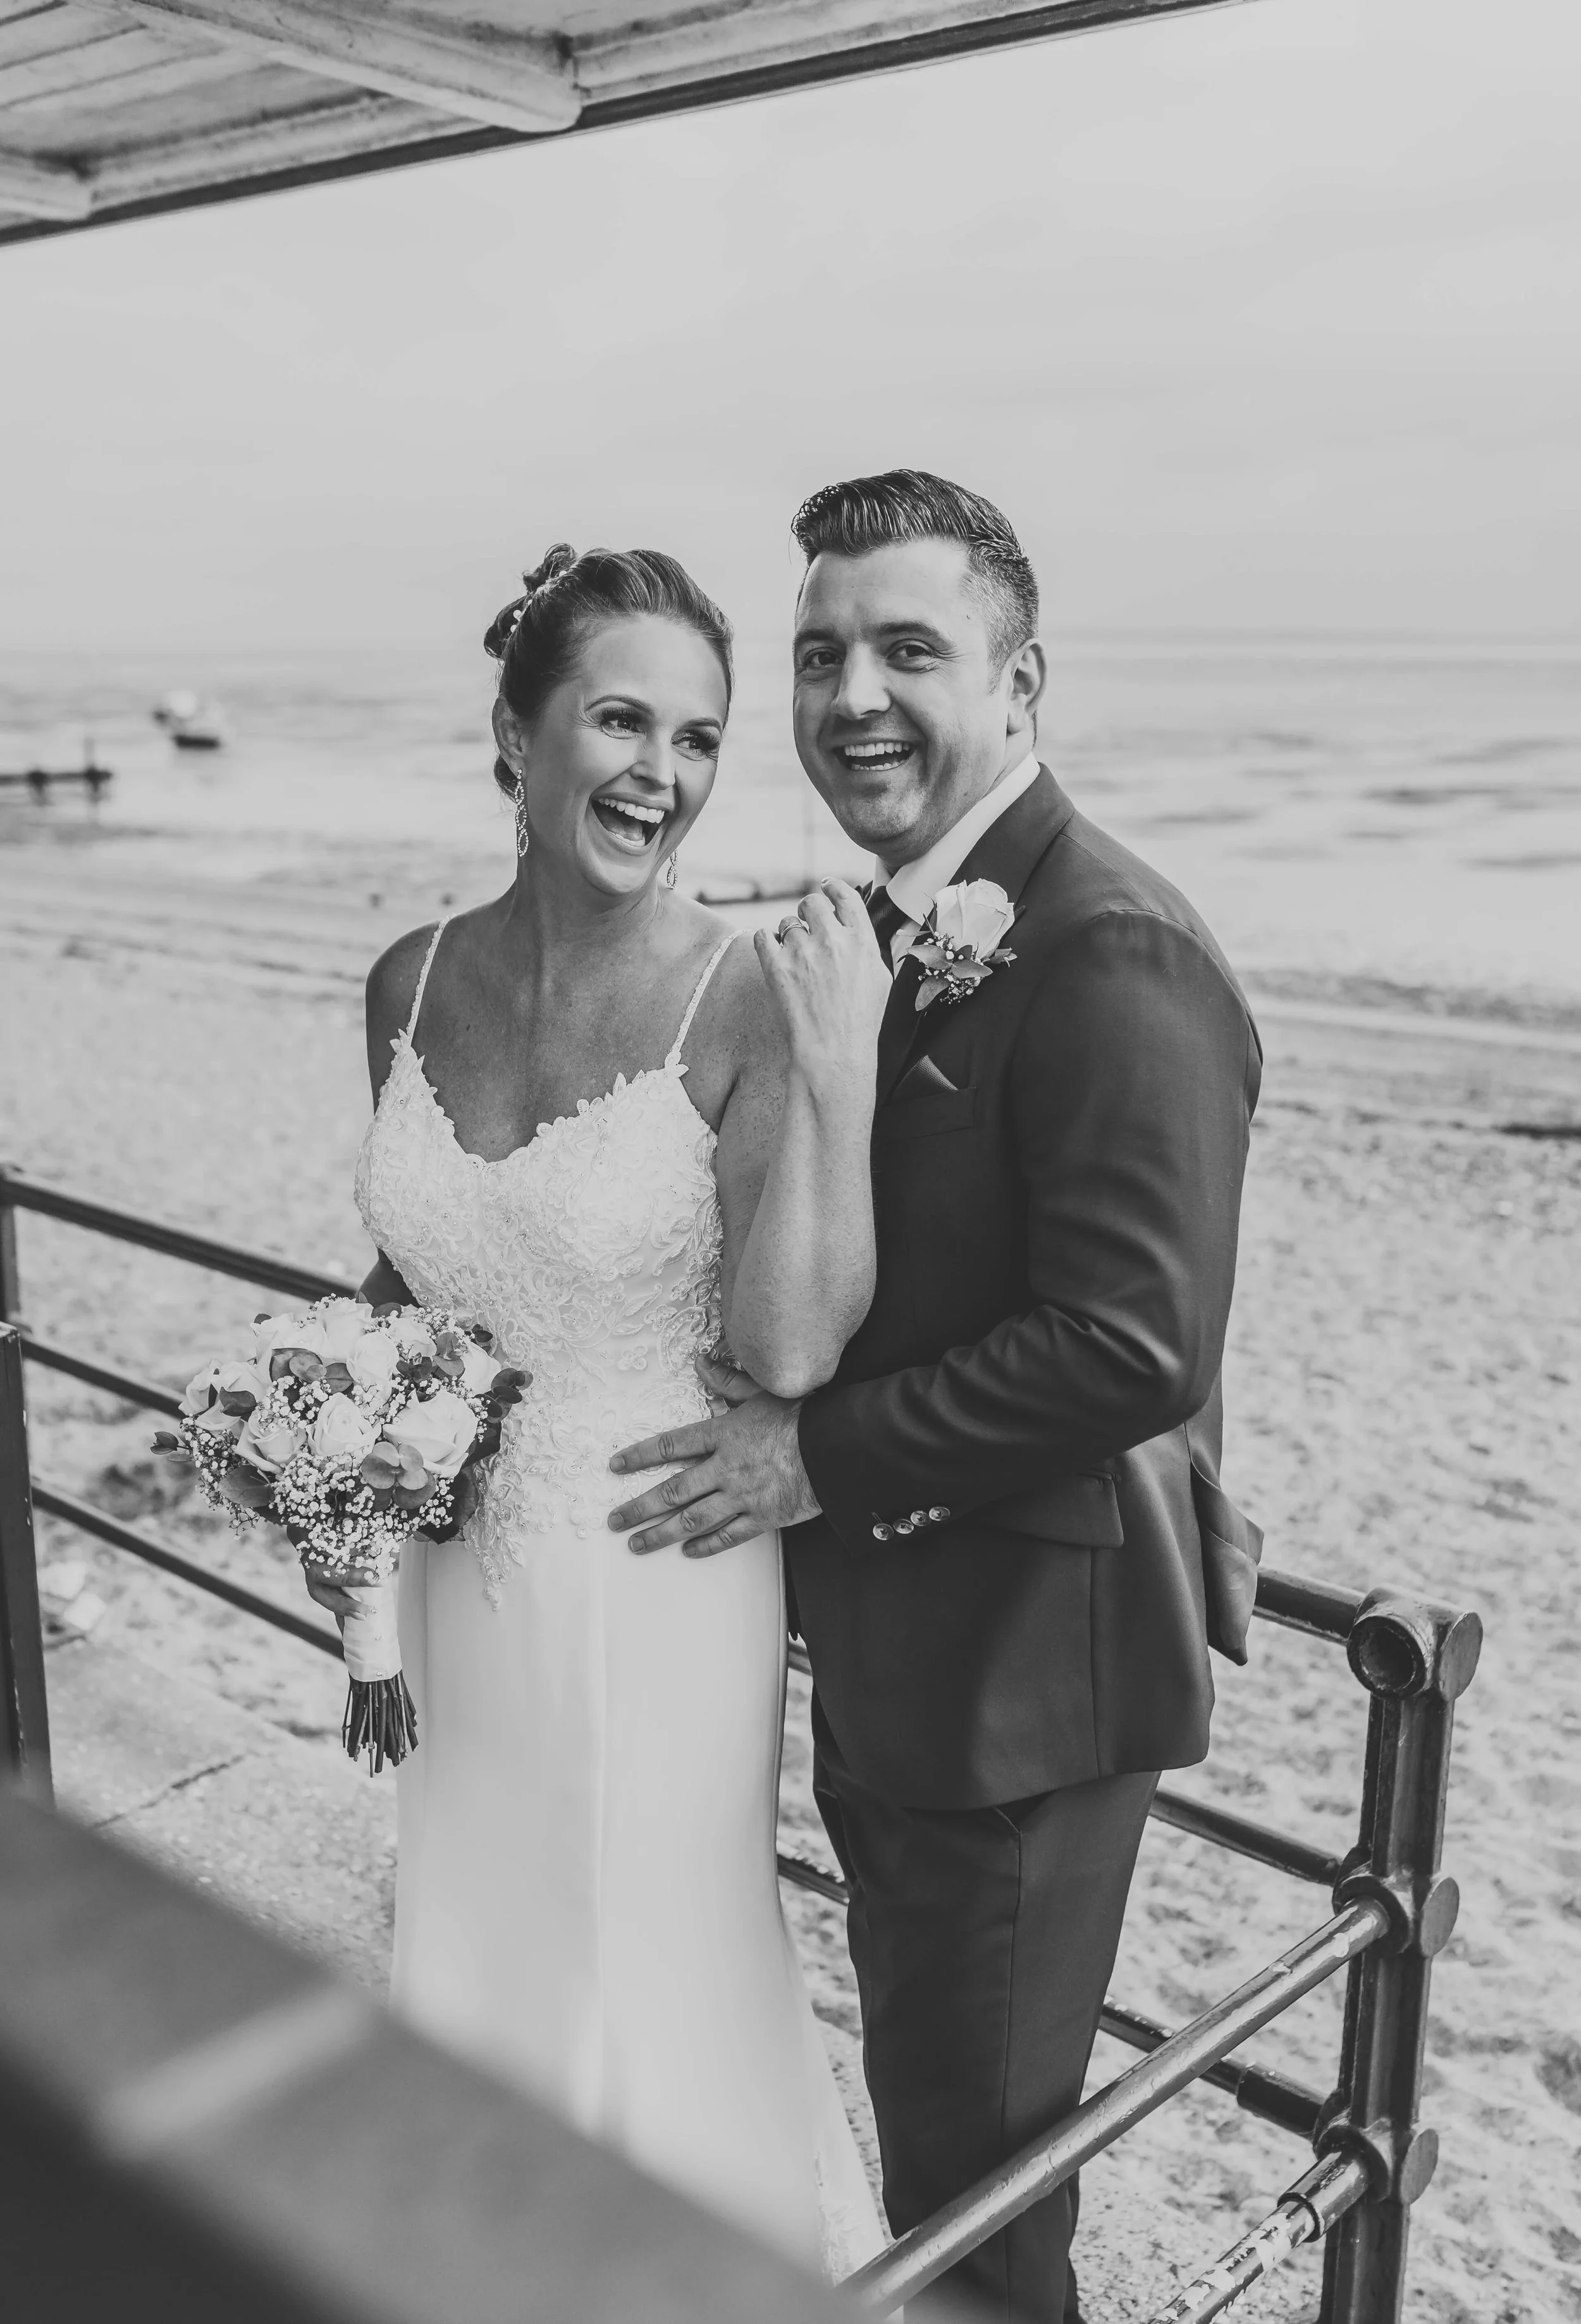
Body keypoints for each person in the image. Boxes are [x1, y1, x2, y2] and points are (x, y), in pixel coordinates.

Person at [607, 472, 1265, 2321]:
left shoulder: (1108, 940)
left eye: (907, 648)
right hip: (922, 1669)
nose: (851, 696)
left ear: (1022, 678)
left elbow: (1135, 1343)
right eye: (820, 654)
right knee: (941, 2164)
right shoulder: (911, 923)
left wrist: (806, 1456)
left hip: (1019, 1701)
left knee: (978, 2209)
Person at [316, 544, 889, 2277]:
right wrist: (351, 1521)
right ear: (514, 734)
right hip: (455, 1581)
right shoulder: (402, 983)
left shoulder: (739, 998)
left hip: (659, 1563)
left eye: (700, 738)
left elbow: (791, 1348)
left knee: (648, 1952)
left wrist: (842, 1076)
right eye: (620, 718)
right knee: (480, 1928)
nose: (663, 772)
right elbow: (405, 1297)